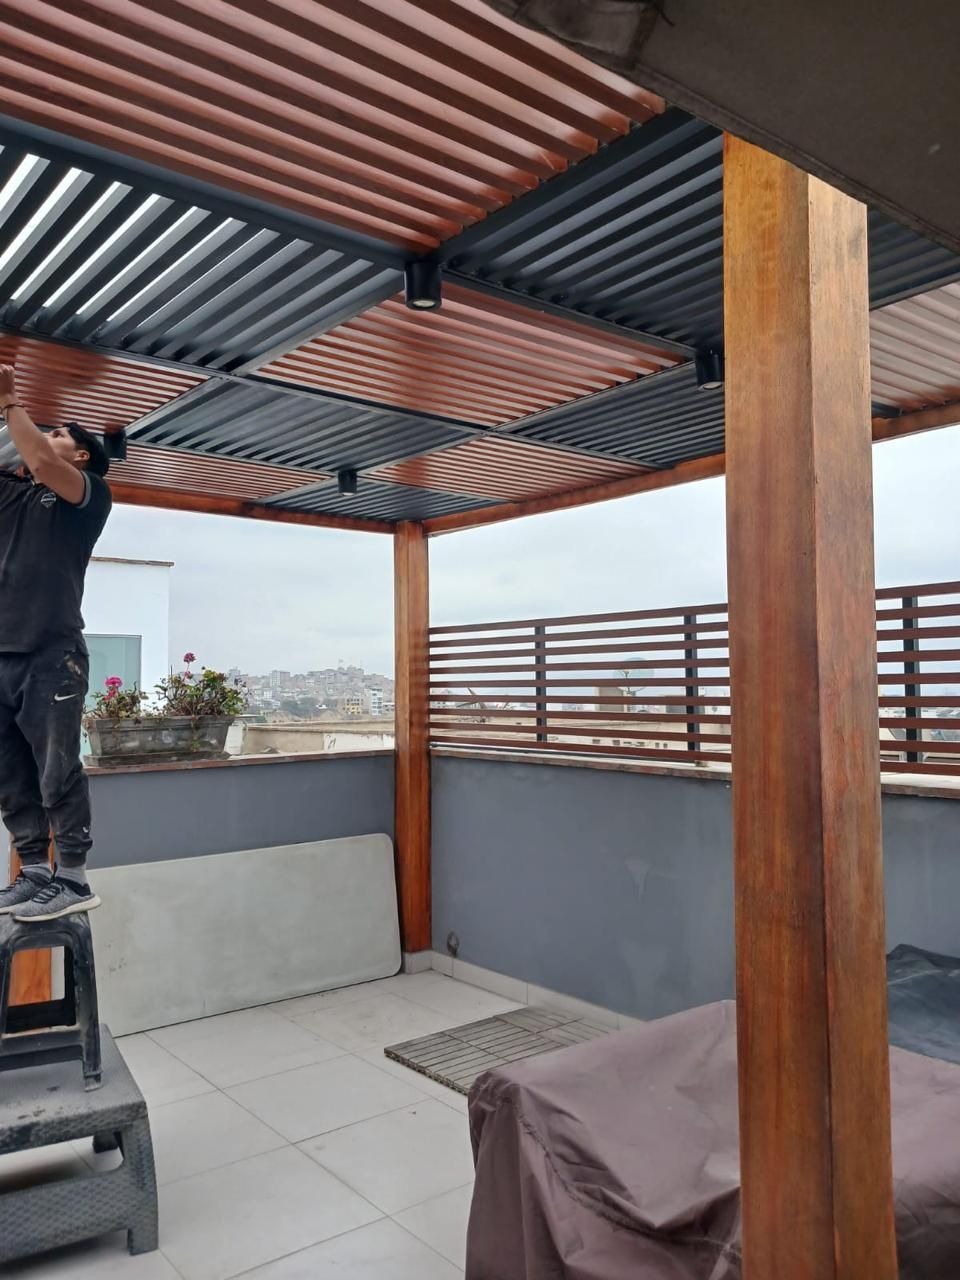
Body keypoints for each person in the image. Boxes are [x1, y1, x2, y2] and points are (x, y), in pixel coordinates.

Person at [0, 363, 112, 922]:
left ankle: (73, 876)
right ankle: (34, 871)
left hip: (52, 653)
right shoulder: (11, 493)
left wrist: (9, 399)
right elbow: (31, 459)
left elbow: (43, 461)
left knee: (56, 767)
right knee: (10, 770)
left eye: (63, 434)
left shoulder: (87, 496)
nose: (50, 437)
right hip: (2, 652)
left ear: (83, 455)